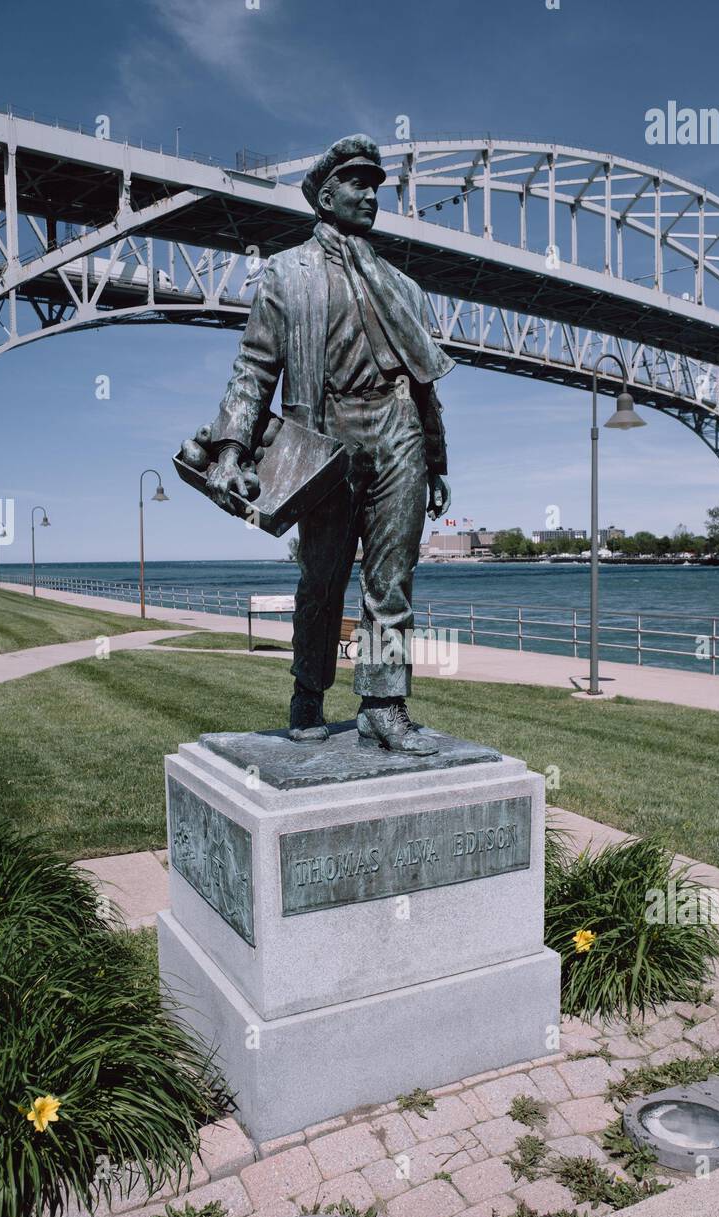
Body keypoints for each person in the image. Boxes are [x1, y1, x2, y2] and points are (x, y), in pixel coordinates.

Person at [201, 134, 454, 755]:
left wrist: (438, 460)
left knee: (391, 582)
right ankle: (308, 690)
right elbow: (255, 368)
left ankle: (383, 704)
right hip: (327, 435)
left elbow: (425, 385)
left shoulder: (405, 287)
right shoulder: (287, 273)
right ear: (324, 194)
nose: (371, 194)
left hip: (399, 431)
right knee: (322, 579)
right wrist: (231, 448)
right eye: (357, 183)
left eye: (377, 184)